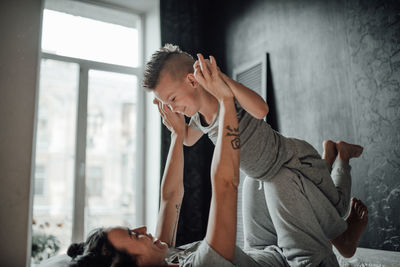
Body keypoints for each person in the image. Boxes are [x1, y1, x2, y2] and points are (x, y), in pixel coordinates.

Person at [67, 54, 368, 267]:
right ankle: (339, 176)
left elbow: (170, 197)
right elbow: (224, 184)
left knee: (266, 182)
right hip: (280, 179)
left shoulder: (164, 256)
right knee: (318, 198)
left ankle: (328, 163)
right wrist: (223, 102)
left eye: (172, 99)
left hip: (289, 161)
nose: (144, 228)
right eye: (135, 235)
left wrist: (176, 133)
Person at [142, 44, 363, 219]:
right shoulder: (199, 118)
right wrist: (175, 127)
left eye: (172, 100)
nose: (174, 108)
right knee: (318, 207)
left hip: (293, 161)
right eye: (167, 105)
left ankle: (341, 156)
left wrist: (223, 79)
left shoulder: (226, 95)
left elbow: (261, 110)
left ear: (192, 80)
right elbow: (188, 140)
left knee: (337, 208)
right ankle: (328, 156)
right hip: (269, 175)